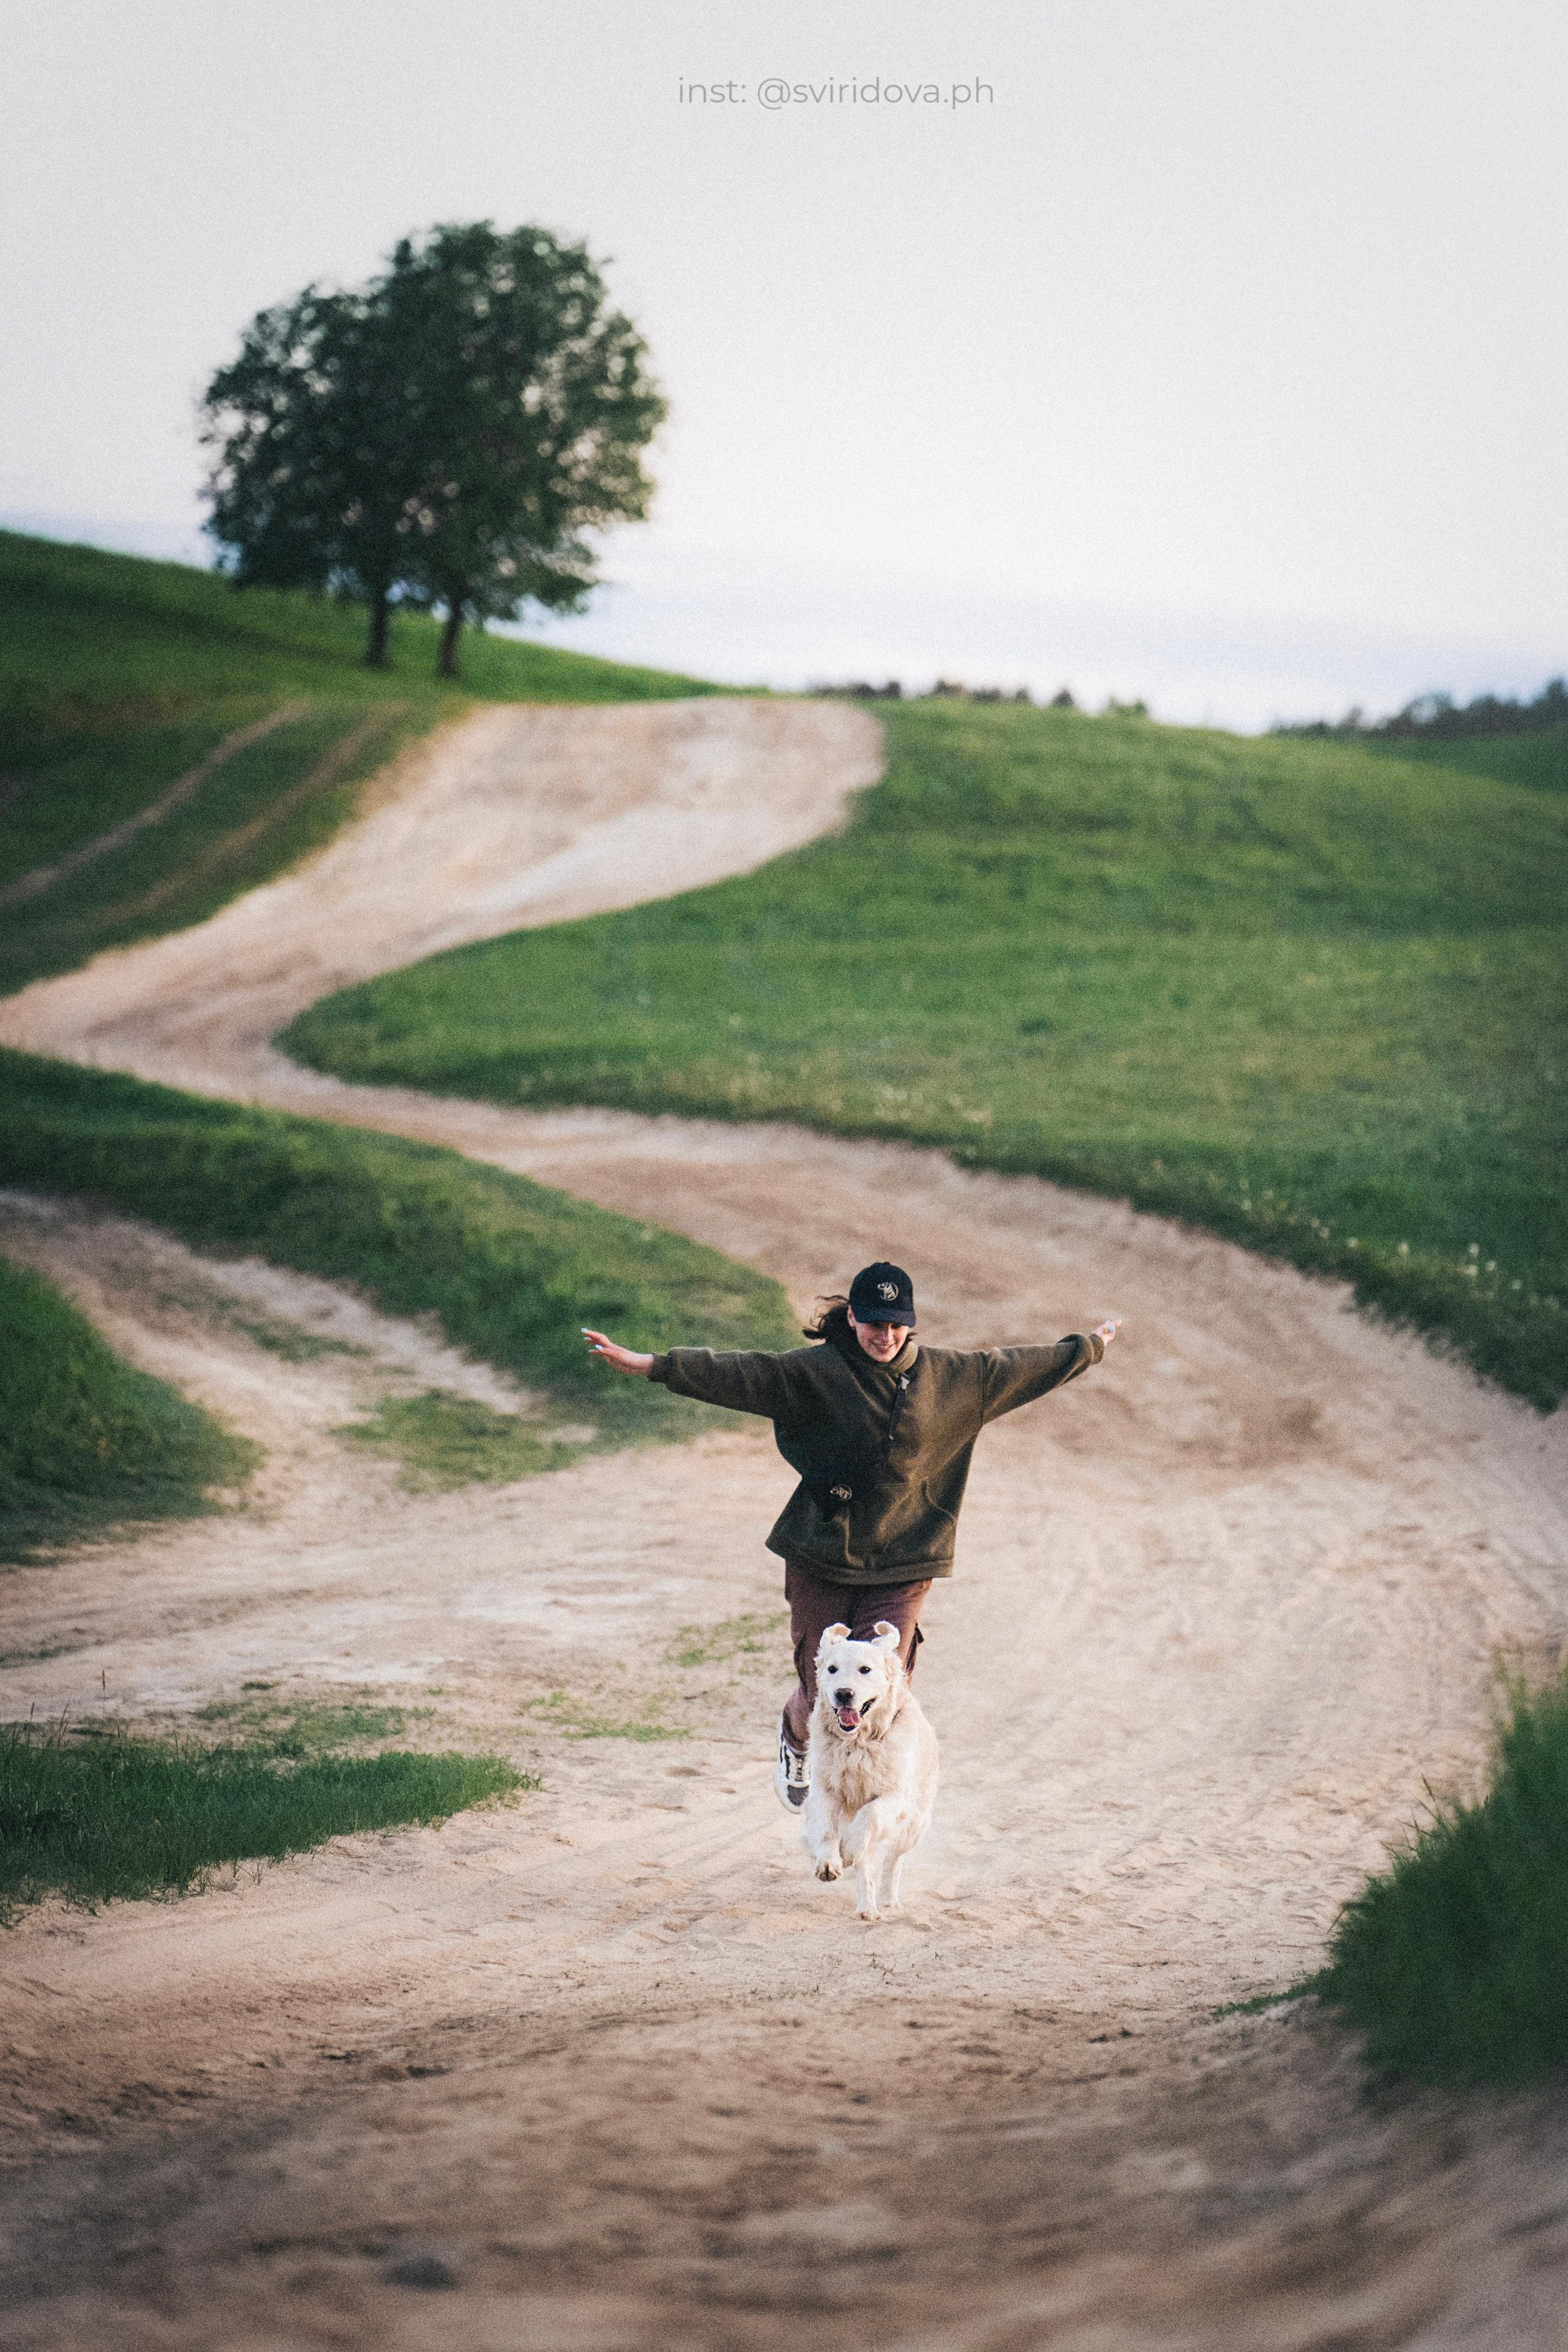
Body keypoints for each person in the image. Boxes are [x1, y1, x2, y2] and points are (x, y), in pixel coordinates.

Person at [583, 1260, 1119, 1812]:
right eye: (873, 1323)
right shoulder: (815, 1373)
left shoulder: (958, 1379)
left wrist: (1089, 1348)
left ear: (910, 1323)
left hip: (907, 1558)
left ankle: (873, 1799)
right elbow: (743, 1373)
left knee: (884, 1687)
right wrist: (651, 1365)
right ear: (854, 1317)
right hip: (822, 1552)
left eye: (896, 1325)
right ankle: (797, 1743)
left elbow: (1026, 1367)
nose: (884, 1336)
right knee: (824, 1693)